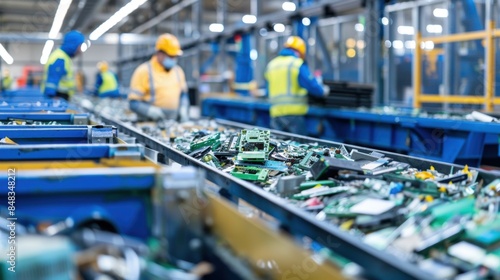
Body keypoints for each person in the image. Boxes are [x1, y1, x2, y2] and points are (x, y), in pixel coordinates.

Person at [264, 36, 329, 135]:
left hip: (275, 113)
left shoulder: (272, 65)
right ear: (300, 51)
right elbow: (312, 86)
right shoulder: (296, 64)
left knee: (277, 145)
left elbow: (268, 91)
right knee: (298, 146)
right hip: (294, 115)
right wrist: (323, 90)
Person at [129, 33, 189, 121]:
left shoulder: (178, 71)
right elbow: (133, 103)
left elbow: (183, 95)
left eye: (174, 56)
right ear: (159, 53)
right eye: (170, 56)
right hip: (149, 123)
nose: (173, 59)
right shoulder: (143, 71)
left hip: (173, 123)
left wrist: (184, 108)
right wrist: (149, 111)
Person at [41, 30, 85, 101]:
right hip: (58, 98)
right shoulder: (60, 58)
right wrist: (52, 98)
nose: (80, 50)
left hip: (61, 98)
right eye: (79, 46)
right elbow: (52, 81)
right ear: (73, 44)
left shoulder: (64, 57)